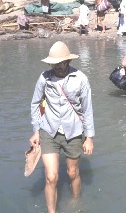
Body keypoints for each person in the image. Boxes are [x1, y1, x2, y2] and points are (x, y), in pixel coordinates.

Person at [29, 41, 94, 213]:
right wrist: (36, 130)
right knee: (51, 177)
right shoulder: (44, 78)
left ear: (68, 62)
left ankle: (76, 203)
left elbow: (87, 109)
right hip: (49, 131)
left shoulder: (80, 78)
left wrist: (89, 137)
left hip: (73, 131)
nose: (57, 66)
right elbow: (35, 103)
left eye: (60, 63)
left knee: (72, 173)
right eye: (54, 63)